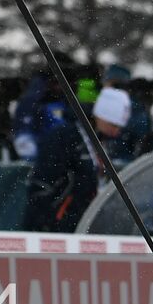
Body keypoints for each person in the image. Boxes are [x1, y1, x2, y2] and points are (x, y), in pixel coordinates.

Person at [22, 87, 131, 233]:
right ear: (100, 116)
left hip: (83, 224)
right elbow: (42, 183)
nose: (117, 131)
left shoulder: (103, 143)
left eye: (120, 127)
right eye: (113, 125)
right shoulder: (65, 137)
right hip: (56, 225)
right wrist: (46, 222)